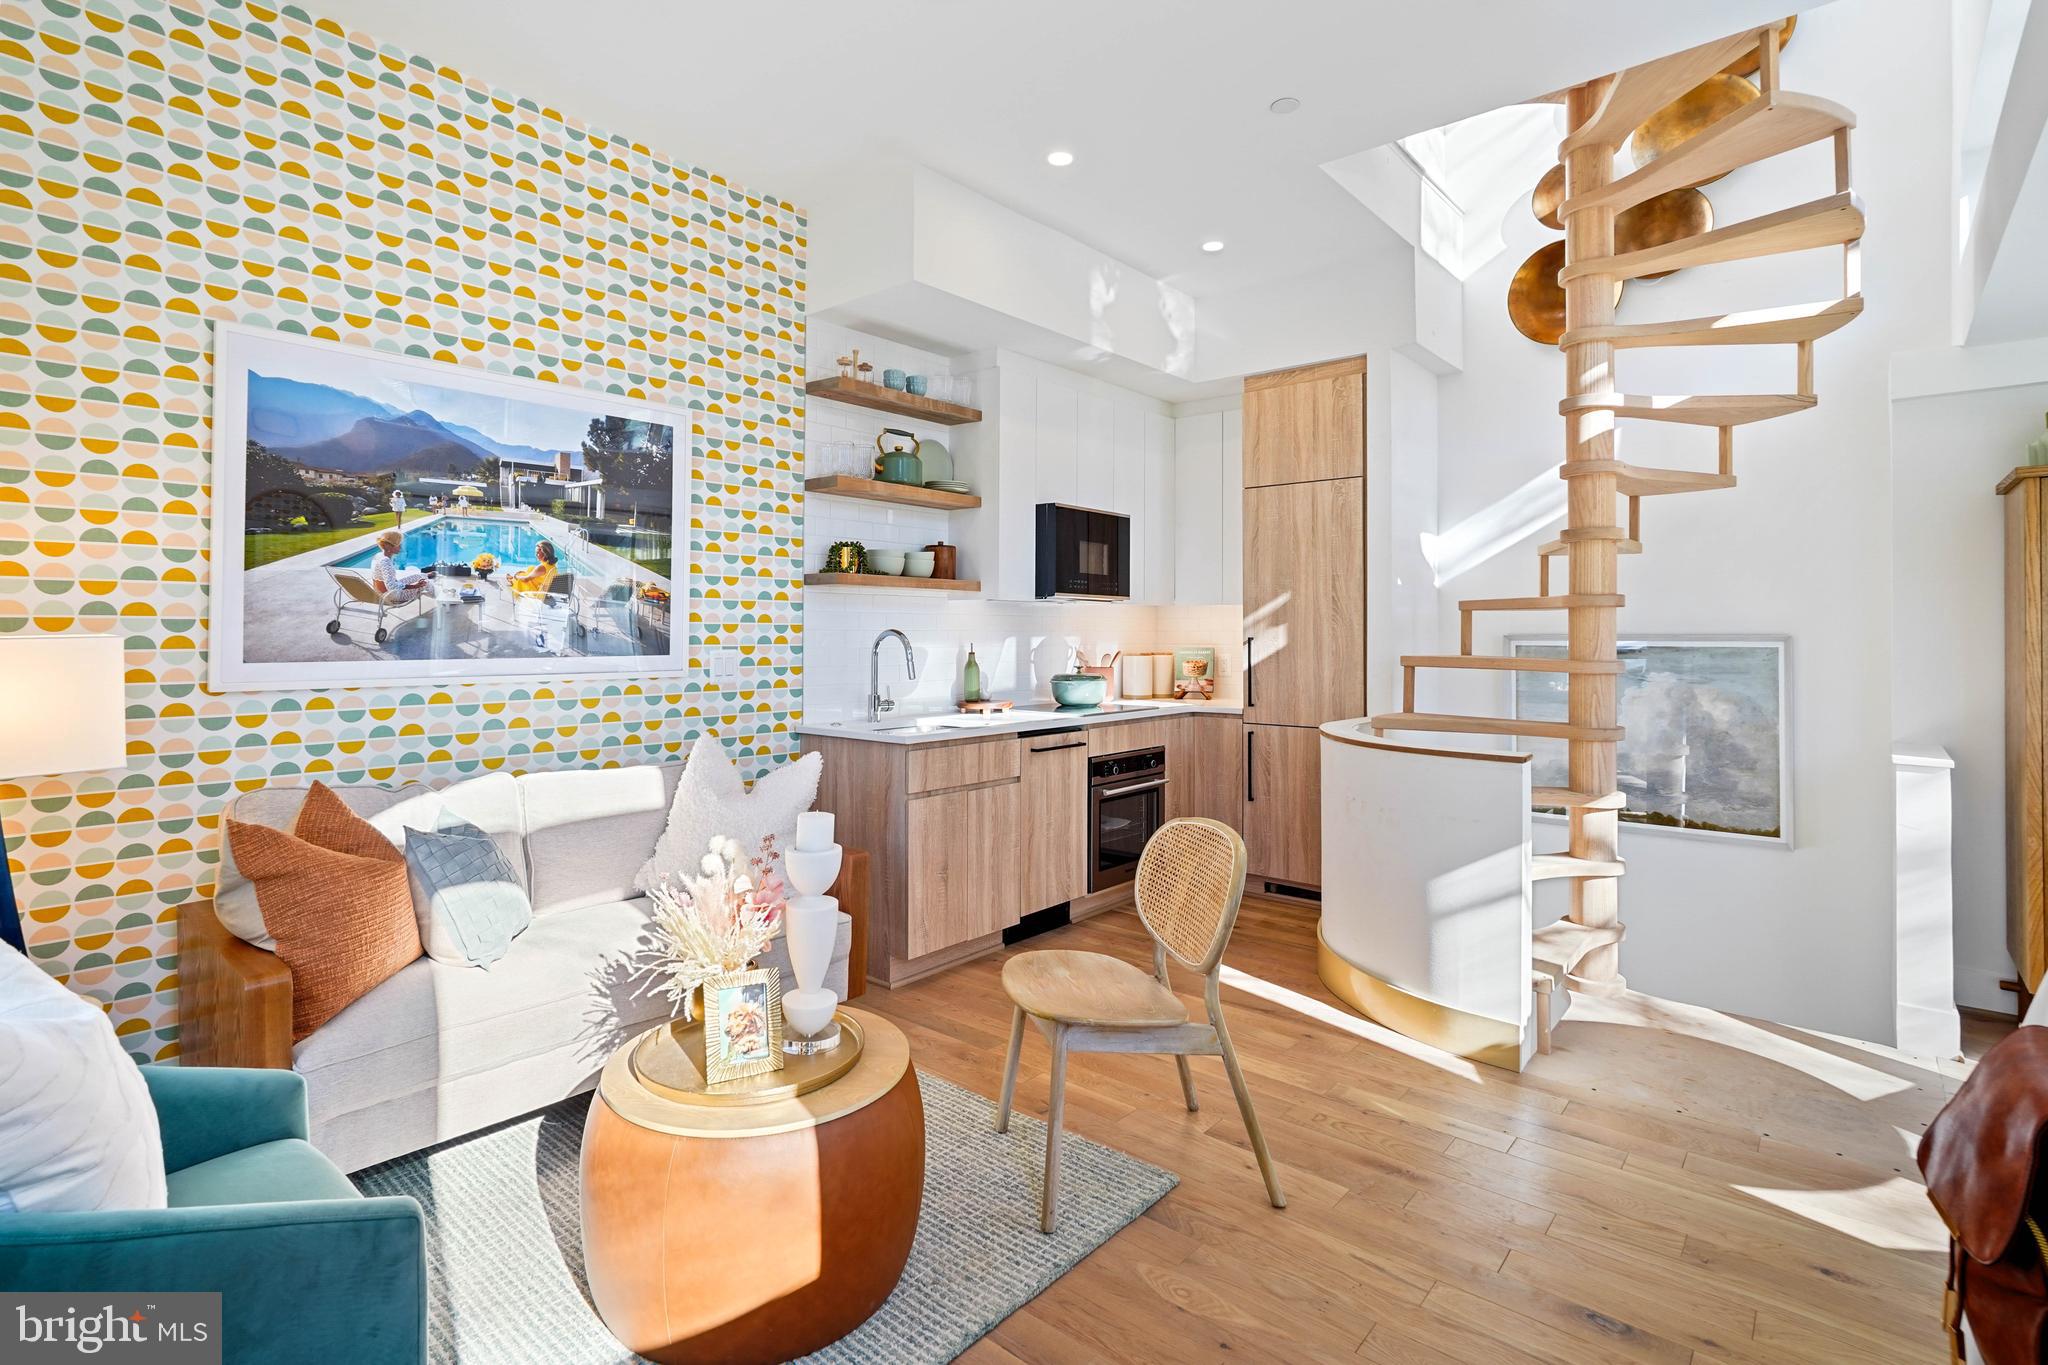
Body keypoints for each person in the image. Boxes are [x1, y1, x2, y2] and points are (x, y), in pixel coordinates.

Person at [368, 529, 428, 604]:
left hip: (383, 592)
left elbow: (389, 581)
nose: (401, 547)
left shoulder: (379, 555)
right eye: (399, 545)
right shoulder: (385, 561)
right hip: (391, 596)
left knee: (419, 576)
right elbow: (392, 586)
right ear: (389, 546)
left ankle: (428, 575)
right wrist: (414, 586)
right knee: (427, 584)